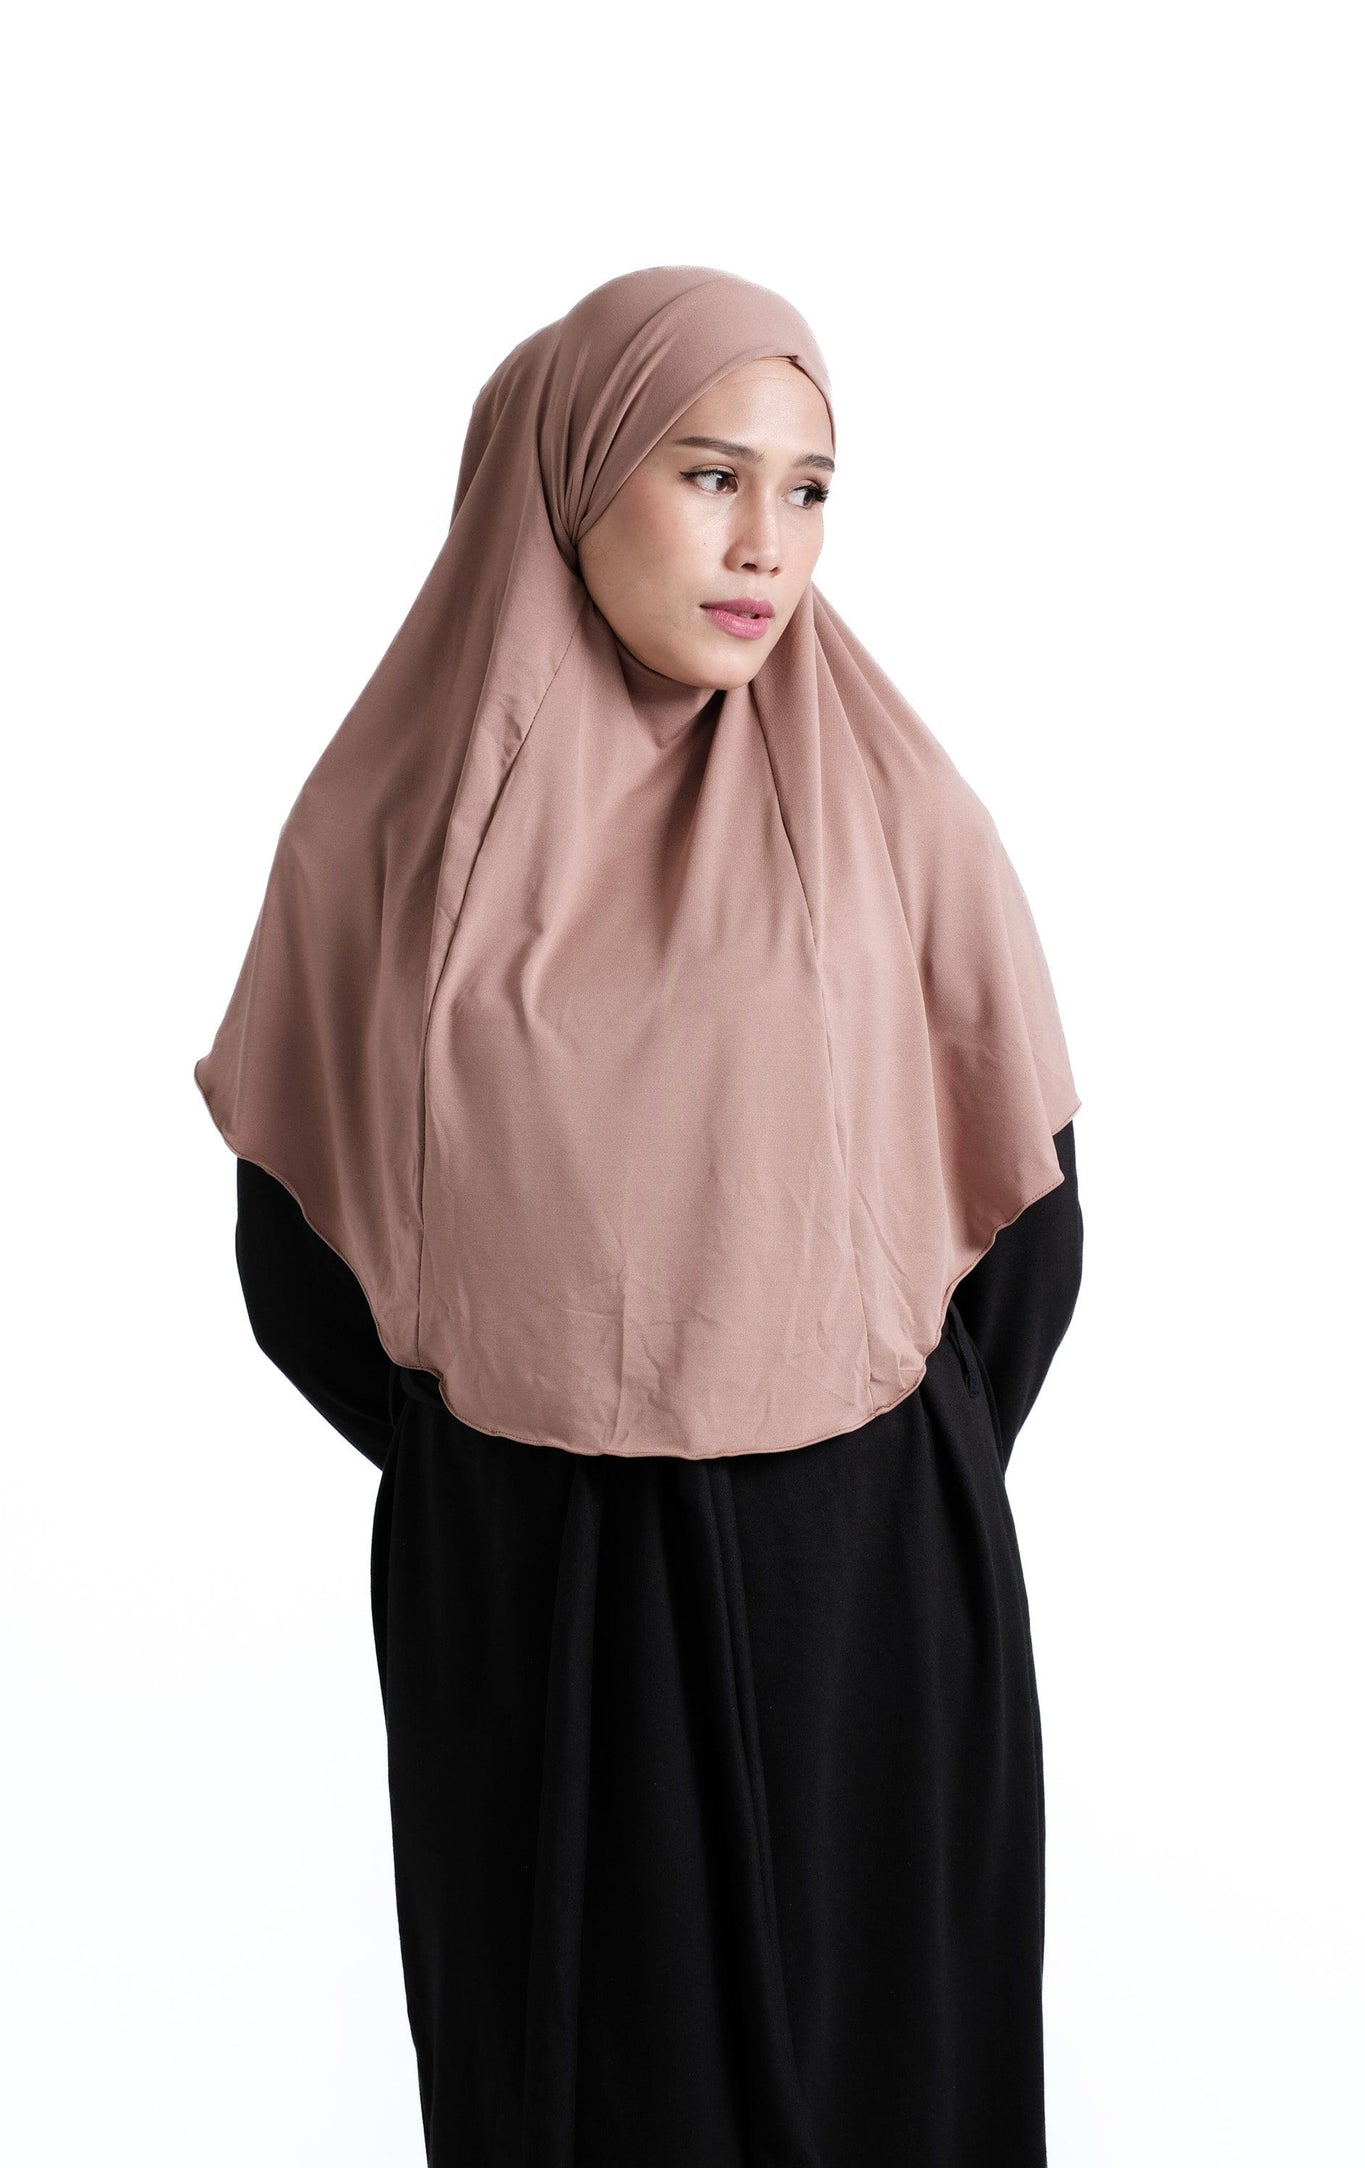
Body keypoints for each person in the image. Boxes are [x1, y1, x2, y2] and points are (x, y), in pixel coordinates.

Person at [196, 266, 1084, 2168]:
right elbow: (297, 1261)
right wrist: (530, 1429)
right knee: (578, 2088)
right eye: (707, 475)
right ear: (570, 476)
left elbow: (1025, 1233)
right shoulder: (376, 840)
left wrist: (823, 1427)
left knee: (886, 2090)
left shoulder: (898, 815)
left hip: (865, 1581)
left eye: (809, 489)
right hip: (535, 1590)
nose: (767, 544)